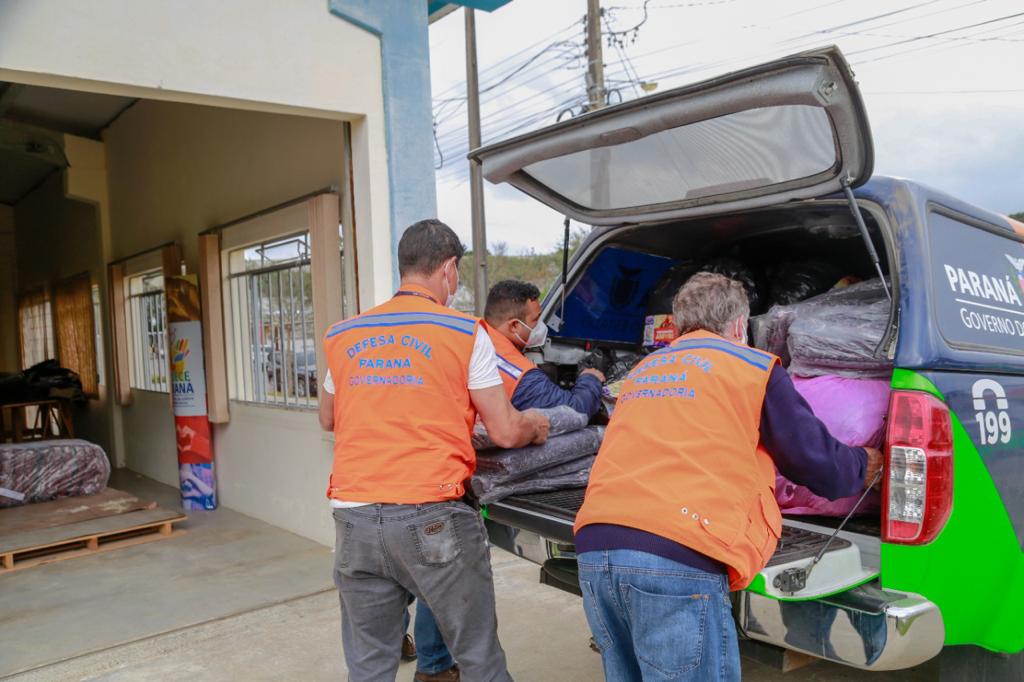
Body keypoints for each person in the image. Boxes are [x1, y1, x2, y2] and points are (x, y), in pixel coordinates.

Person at [572, 272, 882, 682]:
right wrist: (862, 466)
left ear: (679, 325)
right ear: (739, 325)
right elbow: (813, 461)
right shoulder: (751, 367)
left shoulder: (644, 372)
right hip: (675, 555)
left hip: (595, 549)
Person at [319, 219, 549, 682]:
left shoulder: (345, 334)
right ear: (448, 268)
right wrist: (536, 424)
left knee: (368, 667)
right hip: (432, 516)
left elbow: (328, 417)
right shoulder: (463, 331)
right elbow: (505, 431)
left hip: (354, 519)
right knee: (480, 659)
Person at [482, 280, 604, 417]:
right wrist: (589, 379)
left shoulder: (477, 337)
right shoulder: (522, 377)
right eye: (536, 320)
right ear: (514, 325)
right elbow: (574, 411)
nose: (541, 326)